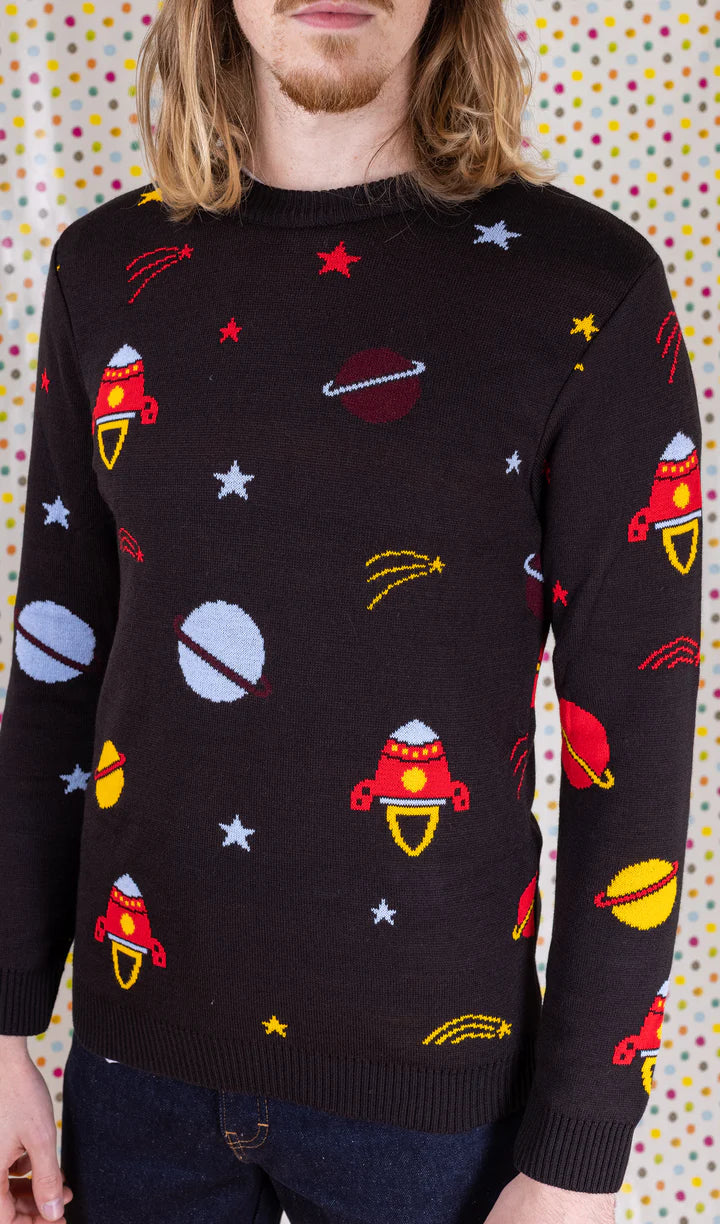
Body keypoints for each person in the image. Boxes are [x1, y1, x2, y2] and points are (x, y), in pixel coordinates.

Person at [0, 0, 703, 1218]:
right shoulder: (104, 272)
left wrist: (577, 1157)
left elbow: (632, 746)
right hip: (134, 1071)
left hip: (438, 1112)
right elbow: (54, 670)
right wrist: (3, 1023)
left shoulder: (589, 291)